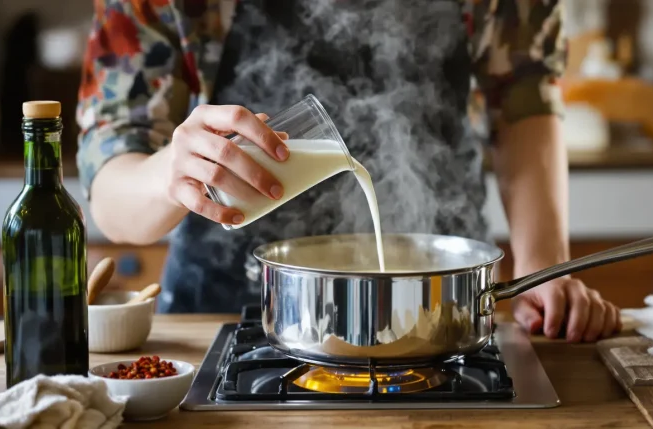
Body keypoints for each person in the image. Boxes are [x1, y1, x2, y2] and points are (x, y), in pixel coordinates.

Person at [76, 0, 622, 343]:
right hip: (221, 315)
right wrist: (172, 171)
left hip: (439, 315)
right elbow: (111, 185)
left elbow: (524, 102)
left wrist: (544, 270)